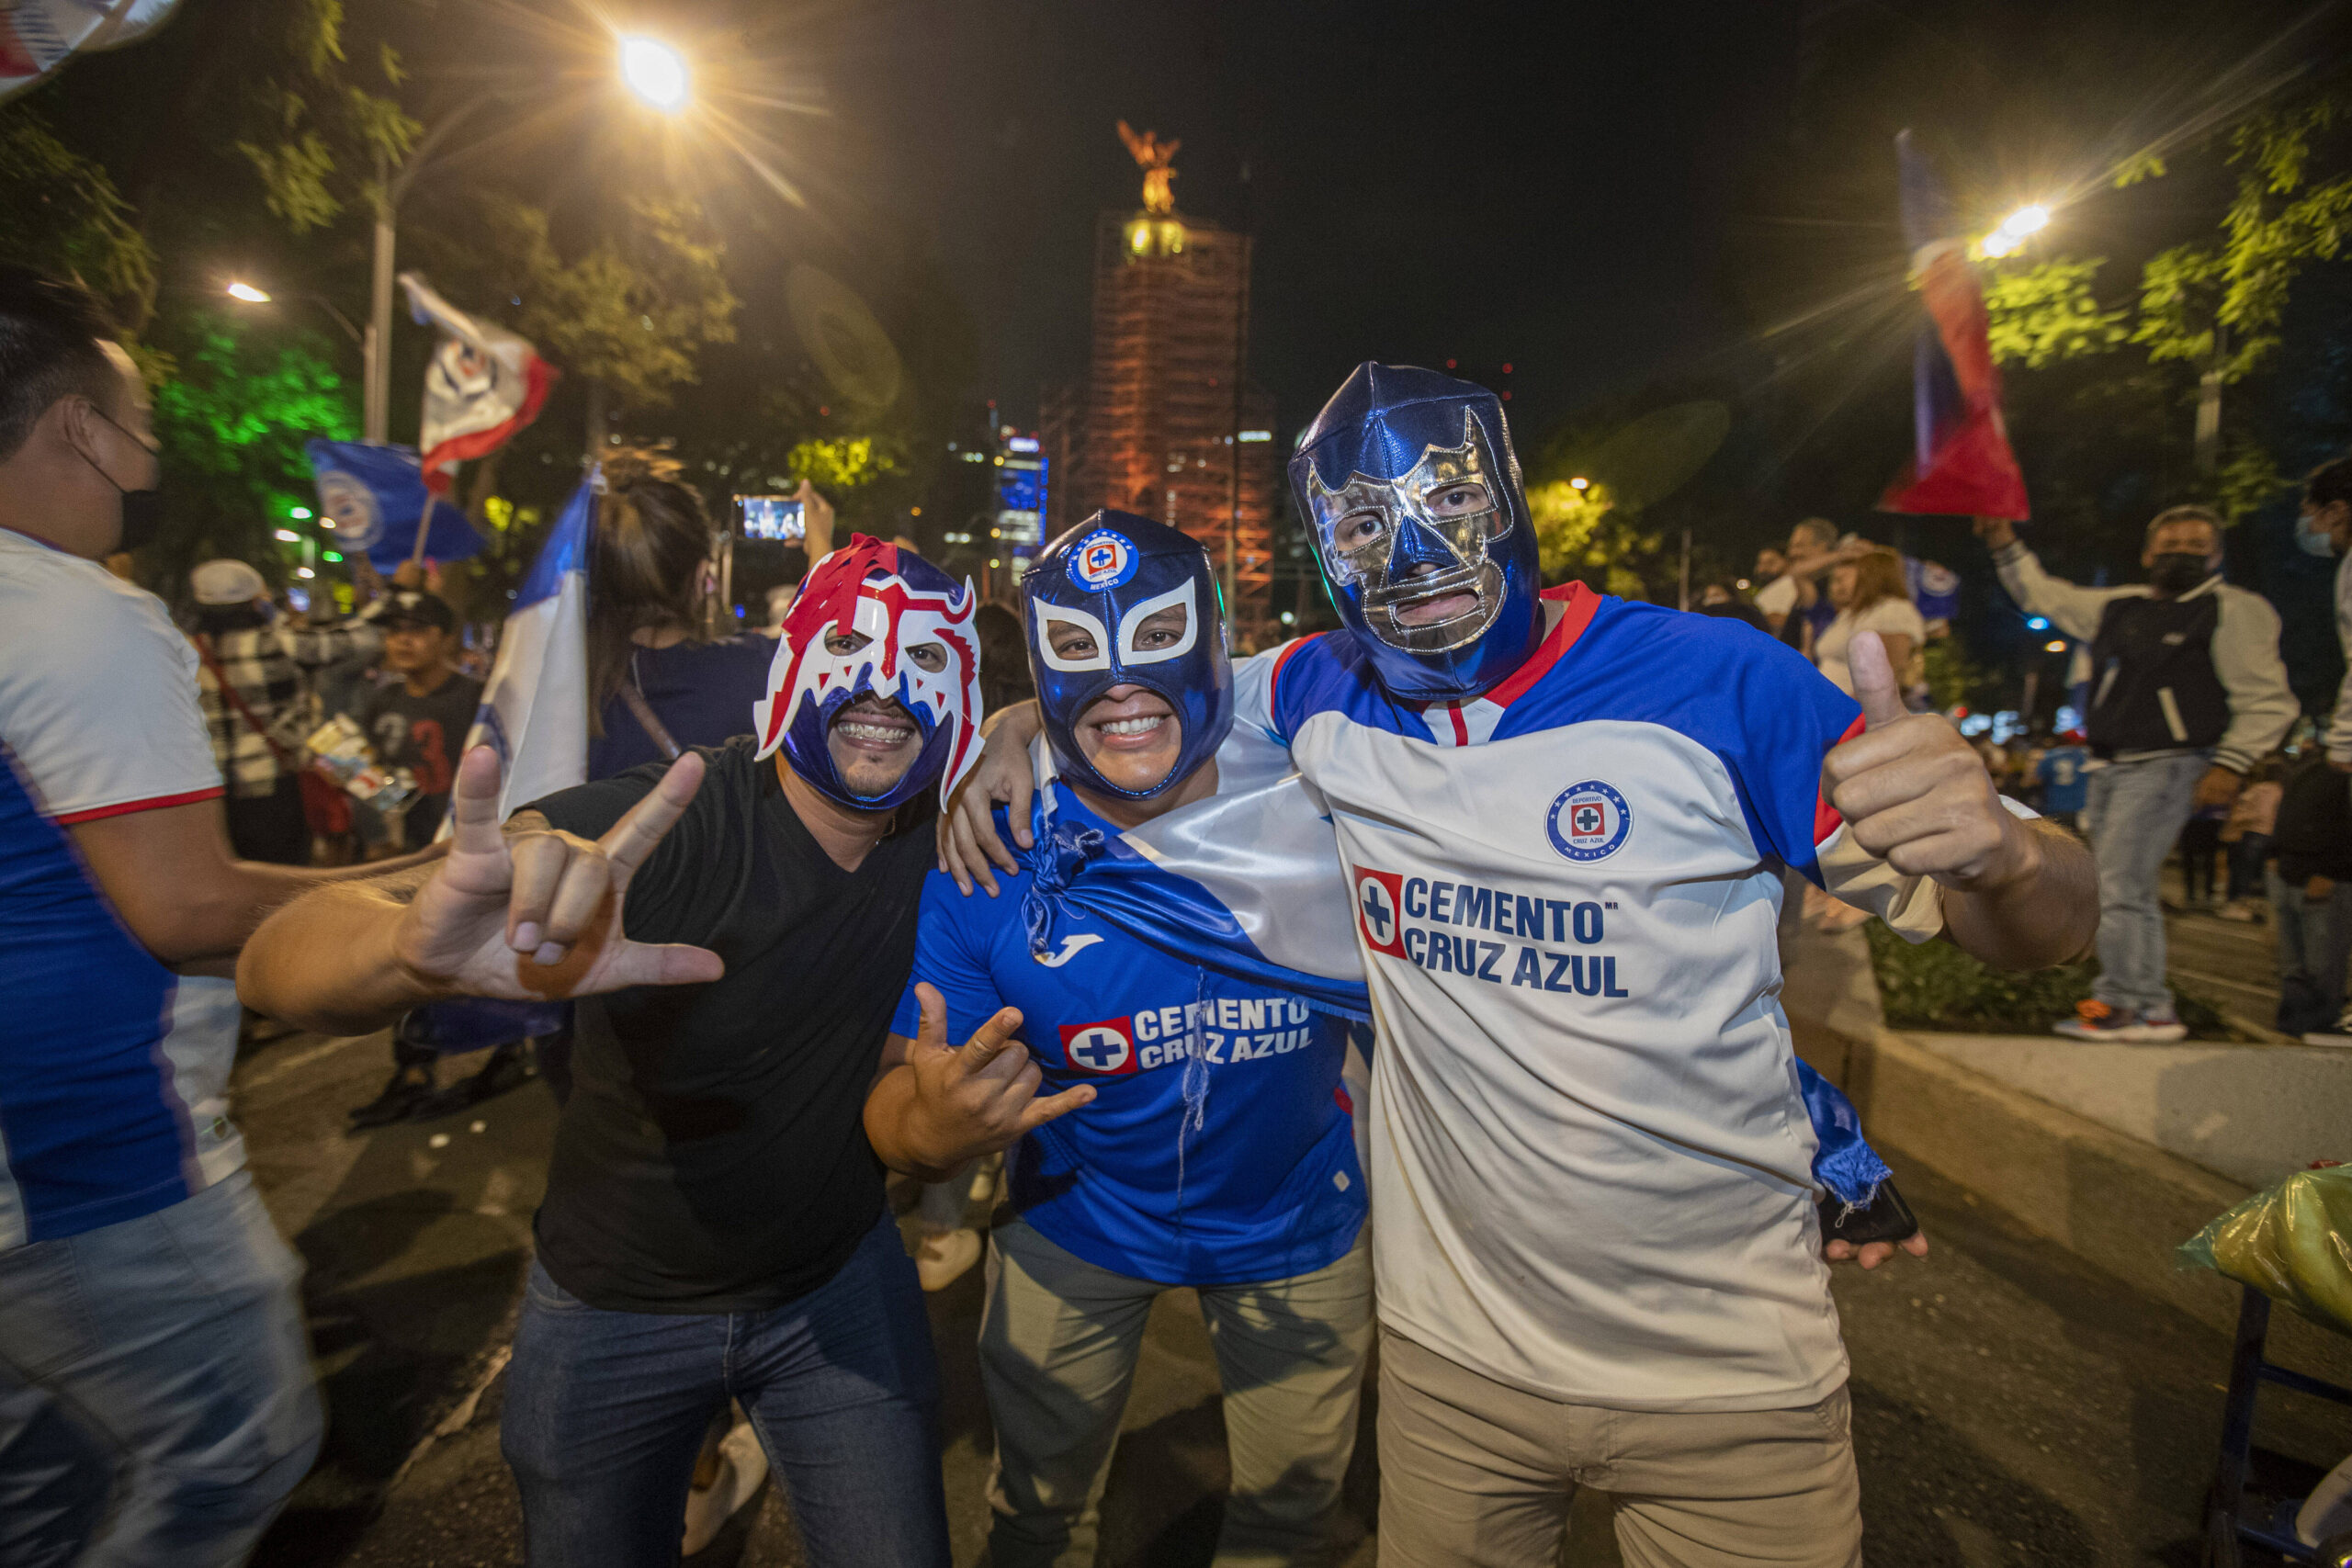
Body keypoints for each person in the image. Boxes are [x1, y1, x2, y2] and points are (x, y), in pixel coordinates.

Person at [952, 364, 2098, 1568]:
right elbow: (1137, 696)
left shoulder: (1720, 683)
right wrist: (1014, 728)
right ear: (1325, 550)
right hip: (1454, 1377)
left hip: (1731, 1376)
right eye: (1360, 526)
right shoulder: (1317, 691)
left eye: (1451, 498)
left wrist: (2013, 857)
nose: (1413, 551)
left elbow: (2046, 929)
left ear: (1511, 495)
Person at [237, 536, 1020, 1568]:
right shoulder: (666, 824)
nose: (884, 684)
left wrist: (1021, 726)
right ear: (791, 664)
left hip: (837, 1280)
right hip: (615, 1305)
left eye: (922, 660)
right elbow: (275, 962)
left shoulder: (949, 837)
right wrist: (407, 950)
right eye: (847, 645)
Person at [0, 266, 435, 1567]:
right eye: (140, 424)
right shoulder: (77, 616)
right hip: (90, 1160)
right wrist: (419, 890)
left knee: (49, 1486)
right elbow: (188, 909)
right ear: (80, 427)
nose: (151, 456)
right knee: (235, 1447)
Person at [870, 514, 1372, 1568]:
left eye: (1155, 641)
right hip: (1074, 1223)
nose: (1119, 686)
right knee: (1035, 1519)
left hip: (1296, 1221)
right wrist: (932, 1130)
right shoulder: (990, 850)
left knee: (1288, 1525)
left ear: (1215, 649)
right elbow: (902, 1104)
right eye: (1077, 655)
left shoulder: (1328, 808)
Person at [1978, 507, 2298, 1041]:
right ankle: (2147, 1006)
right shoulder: (2121, 607)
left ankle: (2125, 1005)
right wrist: (2004, 545)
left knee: (2117, 886)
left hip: (2166, 764)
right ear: (2148, 554)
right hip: (2111, 767)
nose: (2182, 554)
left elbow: (2268, 700)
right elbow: (2045, 595)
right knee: (2129, 889)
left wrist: (2231, 762)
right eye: (2170, 545)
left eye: (2196, 546)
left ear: (2217, 556)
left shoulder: (2232, 609)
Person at [187, 555, 394, 864]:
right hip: (273, 787)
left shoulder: (182, 651)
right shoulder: (278, 644)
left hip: (210, 794)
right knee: (280, 877)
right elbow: (358, 639)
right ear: (255, 602)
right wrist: (394, 592)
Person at [2269, 753, 2352, 1043]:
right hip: (2298, 875)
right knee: (2303, 959)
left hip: (2315, 877)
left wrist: (2330, 871)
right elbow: (2287, 814)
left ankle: (2312, 1021)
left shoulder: (2321, 773)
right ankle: (2302, 1021)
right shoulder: (2314, 772)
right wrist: (2274, 856)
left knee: (2317, 958)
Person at [1811, 548, 1925, 699]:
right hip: (1826, 704)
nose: (1848, 581)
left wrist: (1850, 705)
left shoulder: (1894, 610)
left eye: (1853, 574)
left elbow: (1891, 670)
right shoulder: (1853, 612)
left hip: (1856, 707)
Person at [2218, 759, 2282, 922]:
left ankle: (2239, 905)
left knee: (2243, 870)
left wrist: (2239, 817)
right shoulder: (2281, 790)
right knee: (2258, 873)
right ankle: (2253, 907)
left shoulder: (2263, 789)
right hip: (2270, 835)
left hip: (2254, 833)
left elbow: (2260, 813)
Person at [2034, 729, 2091, 833]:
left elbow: (2037, 780)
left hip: (2054, 806)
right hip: (2079, 807)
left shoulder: (2049, 756)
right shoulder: (2084, 755)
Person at [1750, 545, 1797, 635]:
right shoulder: (1765, 592)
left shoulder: (1792, 584)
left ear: (1786, 561)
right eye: (1760, 563)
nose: (1763, 568)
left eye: (1770, 562)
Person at [1694, 580, 1770, 634]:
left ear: (1730, 595)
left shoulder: (1747, 613)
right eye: (1708, 597)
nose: (1712, 600)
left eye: (1716, 595)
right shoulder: (1703, 616)